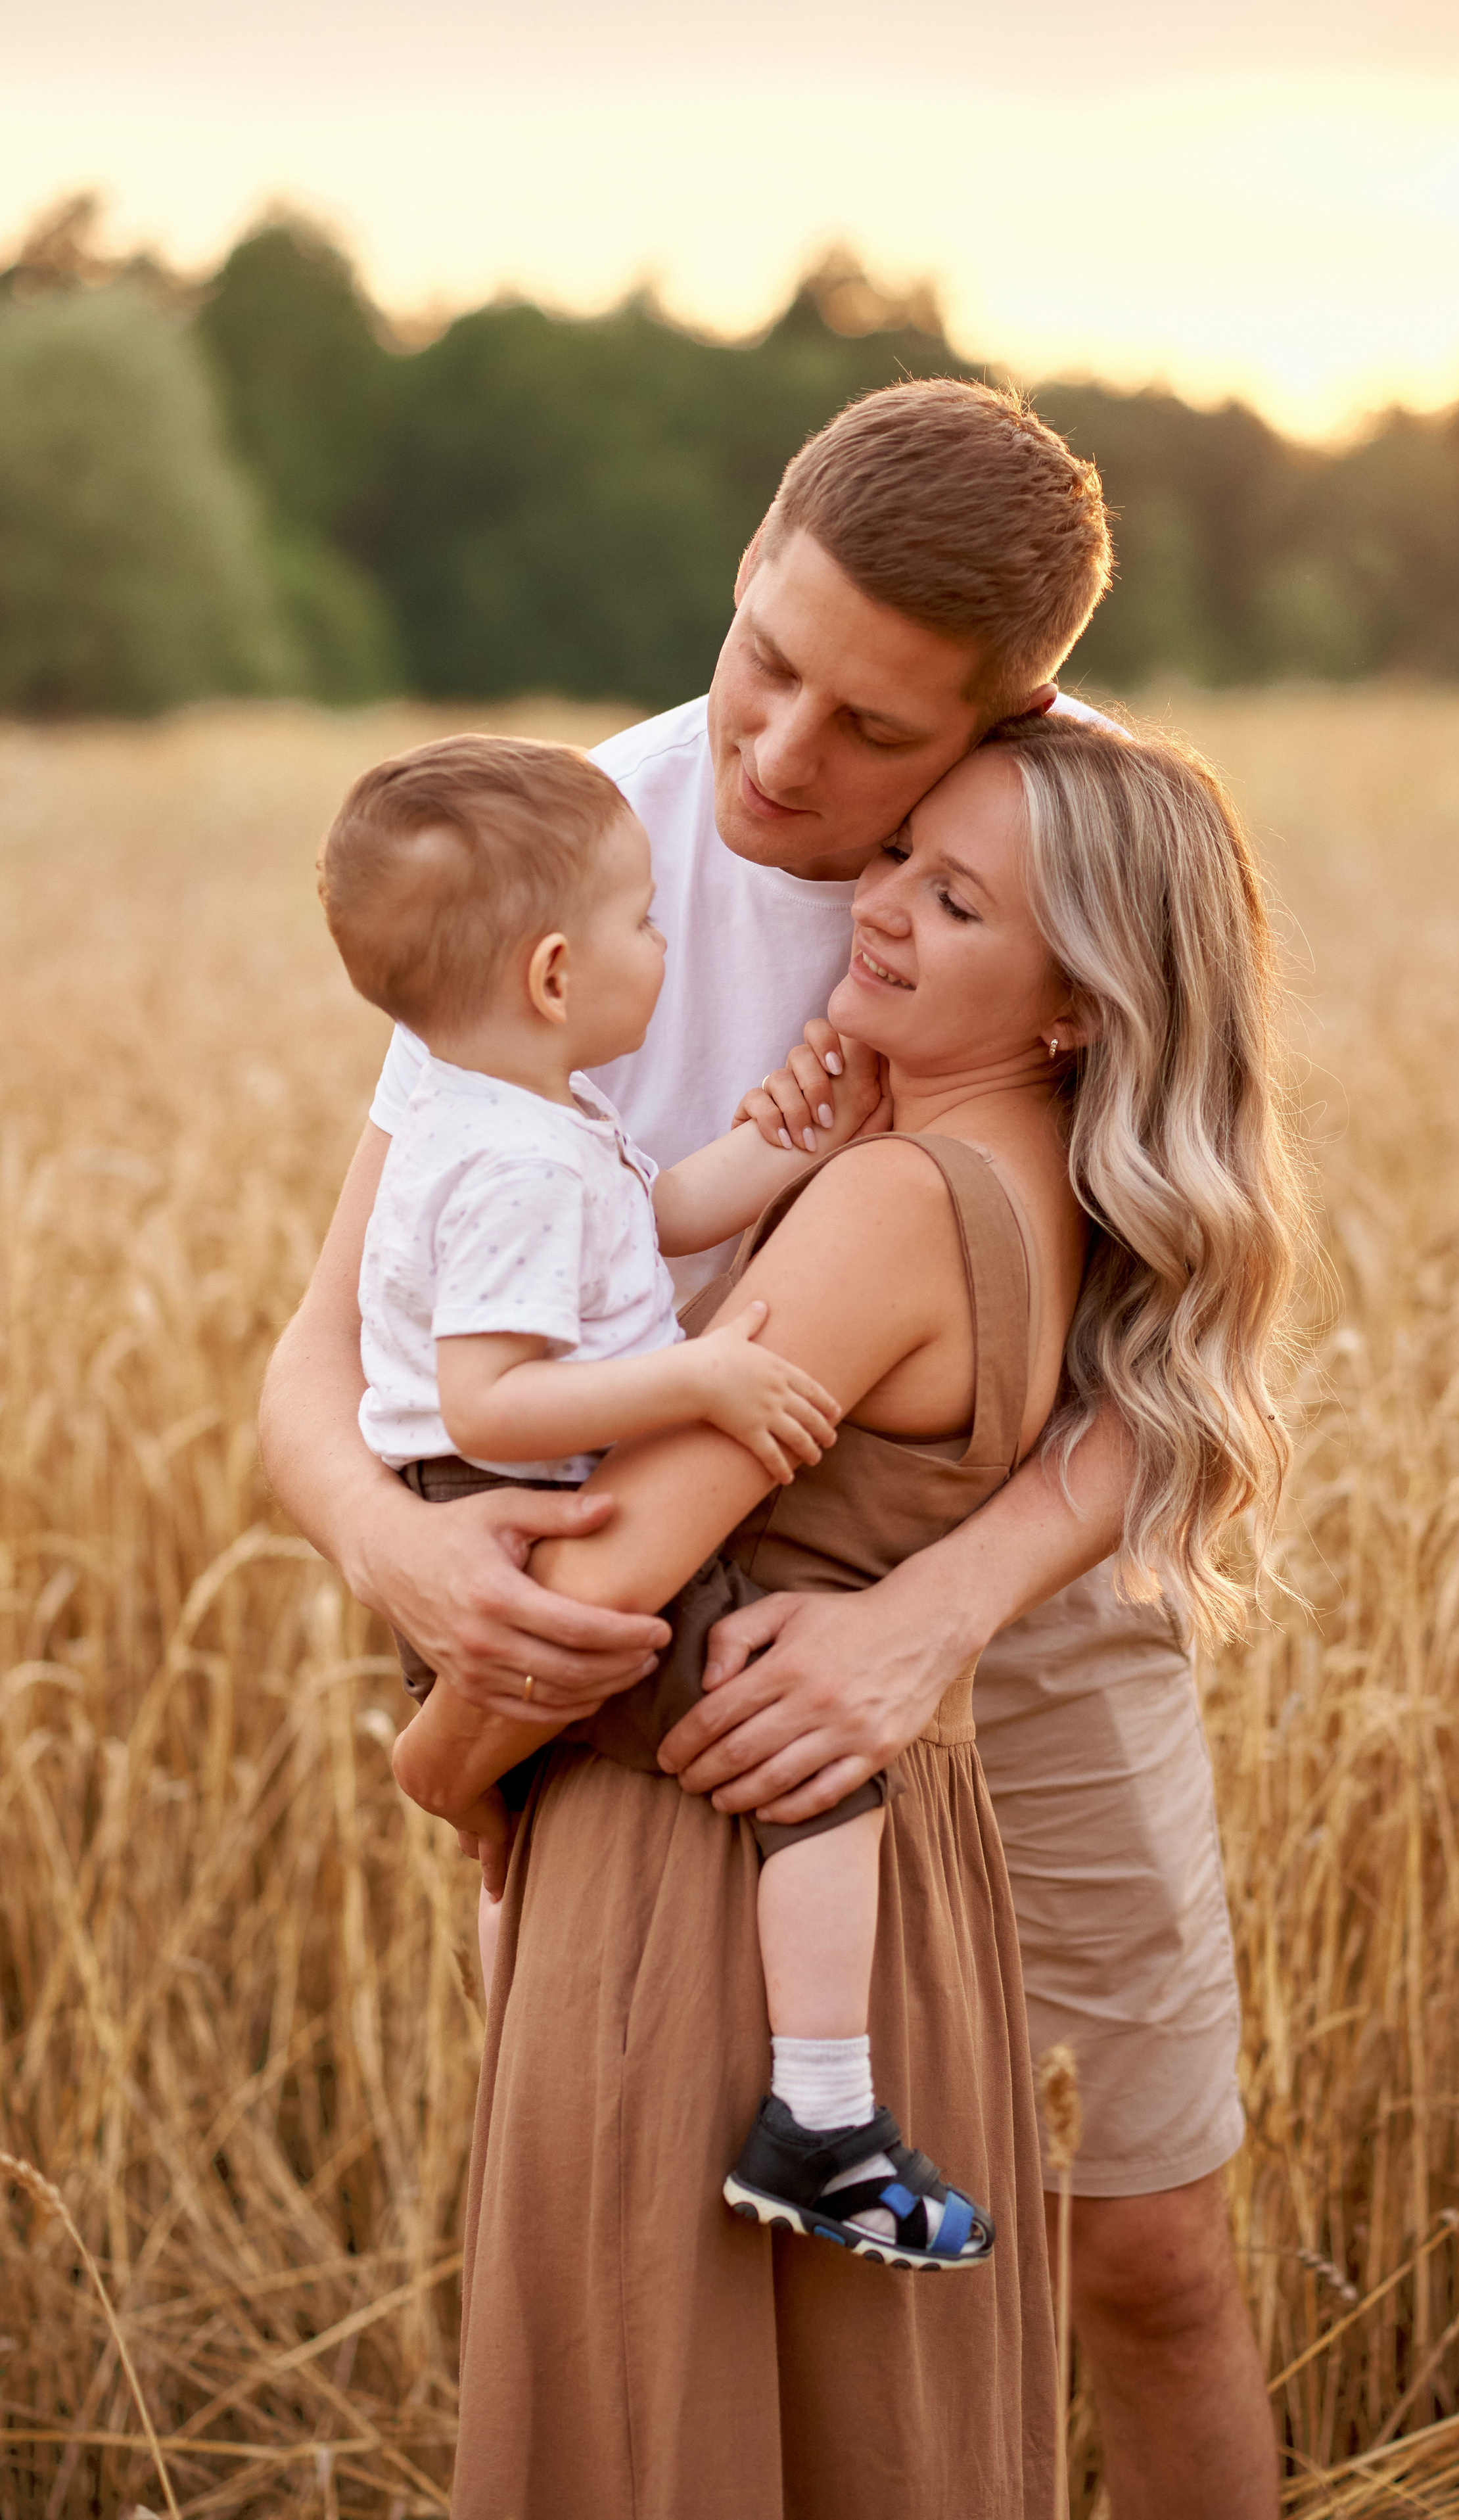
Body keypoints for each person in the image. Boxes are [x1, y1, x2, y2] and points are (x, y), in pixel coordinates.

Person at [260, 378, 1285, 2515]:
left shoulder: (1069, 851)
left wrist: (933, 1614)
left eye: (878, 738)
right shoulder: (554, 852)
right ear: (742, 568)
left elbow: (1170, 1336)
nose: (781, 760)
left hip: (1006, 1568)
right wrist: (410, 1562)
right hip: (640, 1606)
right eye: (764, 662)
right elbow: (320, 1352)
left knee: (1155, 2245)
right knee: (661, 2276)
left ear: (1016, 718)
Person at [428, 712, 1297, 2514]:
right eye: (901, 856)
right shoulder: (1034, 1187)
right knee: (863, 2431)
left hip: (699, 1859)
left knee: (657, 2416)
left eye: (954, 900)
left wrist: (440, 1766)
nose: (878, 905)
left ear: (1074, 1008)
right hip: (893, 1859)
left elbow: (608, 1576)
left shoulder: (893, 1206)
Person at [319, 726, 993, 2264]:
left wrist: (781, 1143)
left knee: (529, 1816)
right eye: (640, 922)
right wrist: (698, 1381)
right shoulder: (513, 1165)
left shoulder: (535, 1123)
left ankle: (528, 2070)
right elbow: (493, 1395)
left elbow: (665, 1214)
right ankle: (822, 2121)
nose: (665, 939)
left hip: (519, 1505)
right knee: (818, 1772)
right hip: (517, 1520)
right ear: (557, 976)